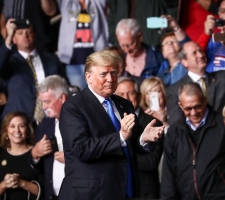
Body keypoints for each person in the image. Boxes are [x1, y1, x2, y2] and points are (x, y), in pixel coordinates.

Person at [58, 50, 164, 199]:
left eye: (114, 73)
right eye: (104, 74)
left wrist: (143, 139)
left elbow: (132, 144)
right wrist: (120, 137)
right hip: (91, 194)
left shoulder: (124, 104)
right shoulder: (73, 107)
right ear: (88, 77)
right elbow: (81, 149)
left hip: (126, 191)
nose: (110, 79)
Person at [161, 82, 225, 199]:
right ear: (180, 106)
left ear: (205, 100)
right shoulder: (174, 131)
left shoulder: (223, 125)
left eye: (197, 106)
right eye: (188, 109)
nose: (193, 112)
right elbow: (169, 174)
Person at [0, 19, 65, 124]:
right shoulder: (10, 62)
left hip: (49, 120)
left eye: (29, 32)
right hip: (19, 122)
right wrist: (8, 38)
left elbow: (64, 84)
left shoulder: (52, 59)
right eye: (20, 33)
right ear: (14, 39)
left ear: (35, 35)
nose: (25, 36)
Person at [115, 77, 163, 199]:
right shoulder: (111, 122)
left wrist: (117, 157)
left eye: (130, 93)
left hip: (144, 192)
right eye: (121, 94)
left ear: (138, 96)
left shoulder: (152, 123)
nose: (125, 98)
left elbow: (151, 162)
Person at [166, 41, 225, 125]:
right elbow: (176, 125)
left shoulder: (222, 77)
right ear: (185, 62)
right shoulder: (174, 91)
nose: (201, 55)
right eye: (194, 53)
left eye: (201, 51)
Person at [30, 75, 70, 200]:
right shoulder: (44, 126)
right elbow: (38, 170)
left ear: (62, 98)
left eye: (47, 102)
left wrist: (72, 158)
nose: (44, 107)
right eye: (42, 102)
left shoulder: (84, 122)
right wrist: (34, 154)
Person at [56, 0, 109, 90]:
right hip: (73, 62)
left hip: (96, 61)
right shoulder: (67, 3)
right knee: (79, 94)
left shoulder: (97, 2)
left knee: (98, 93)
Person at [0, 112, 41, 200]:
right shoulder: (1, 156)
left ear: (28, 130)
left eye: (21, 126)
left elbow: (46, 191)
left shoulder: (36, 153)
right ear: (6, 130)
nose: (17, 130)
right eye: (12, 126)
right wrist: (4, 184)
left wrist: (21, 183)